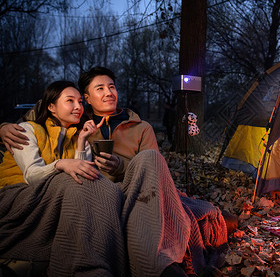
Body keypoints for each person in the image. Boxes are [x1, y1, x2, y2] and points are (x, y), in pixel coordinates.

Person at [1, 67, 229, 276]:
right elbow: (38, 117)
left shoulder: (140, 127)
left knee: (150, 158)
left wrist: (121, 167)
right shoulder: (79, 122)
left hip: (139, 190)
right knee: (95, 185)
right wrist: (2, 127)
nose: (109, 92)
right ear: (87, 99)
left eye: (112, 87)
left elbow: (156, 173)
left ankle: (161, 267)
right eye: (100, 89)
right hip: (100, 194)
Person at [0, 81, 128, 276]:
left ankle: (106, 258)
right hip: (15, 194)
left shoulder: (77, 137)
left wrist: (82, 141)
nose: (78, 107)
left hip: (52, 195)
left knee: (97, 185)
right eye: (70, 101)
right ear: (51, 107)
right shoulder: (28, 129)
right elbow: (32, 175)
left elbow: (85, 179)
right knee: (71, 179)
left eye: (79, 101)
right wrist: (61, 164)